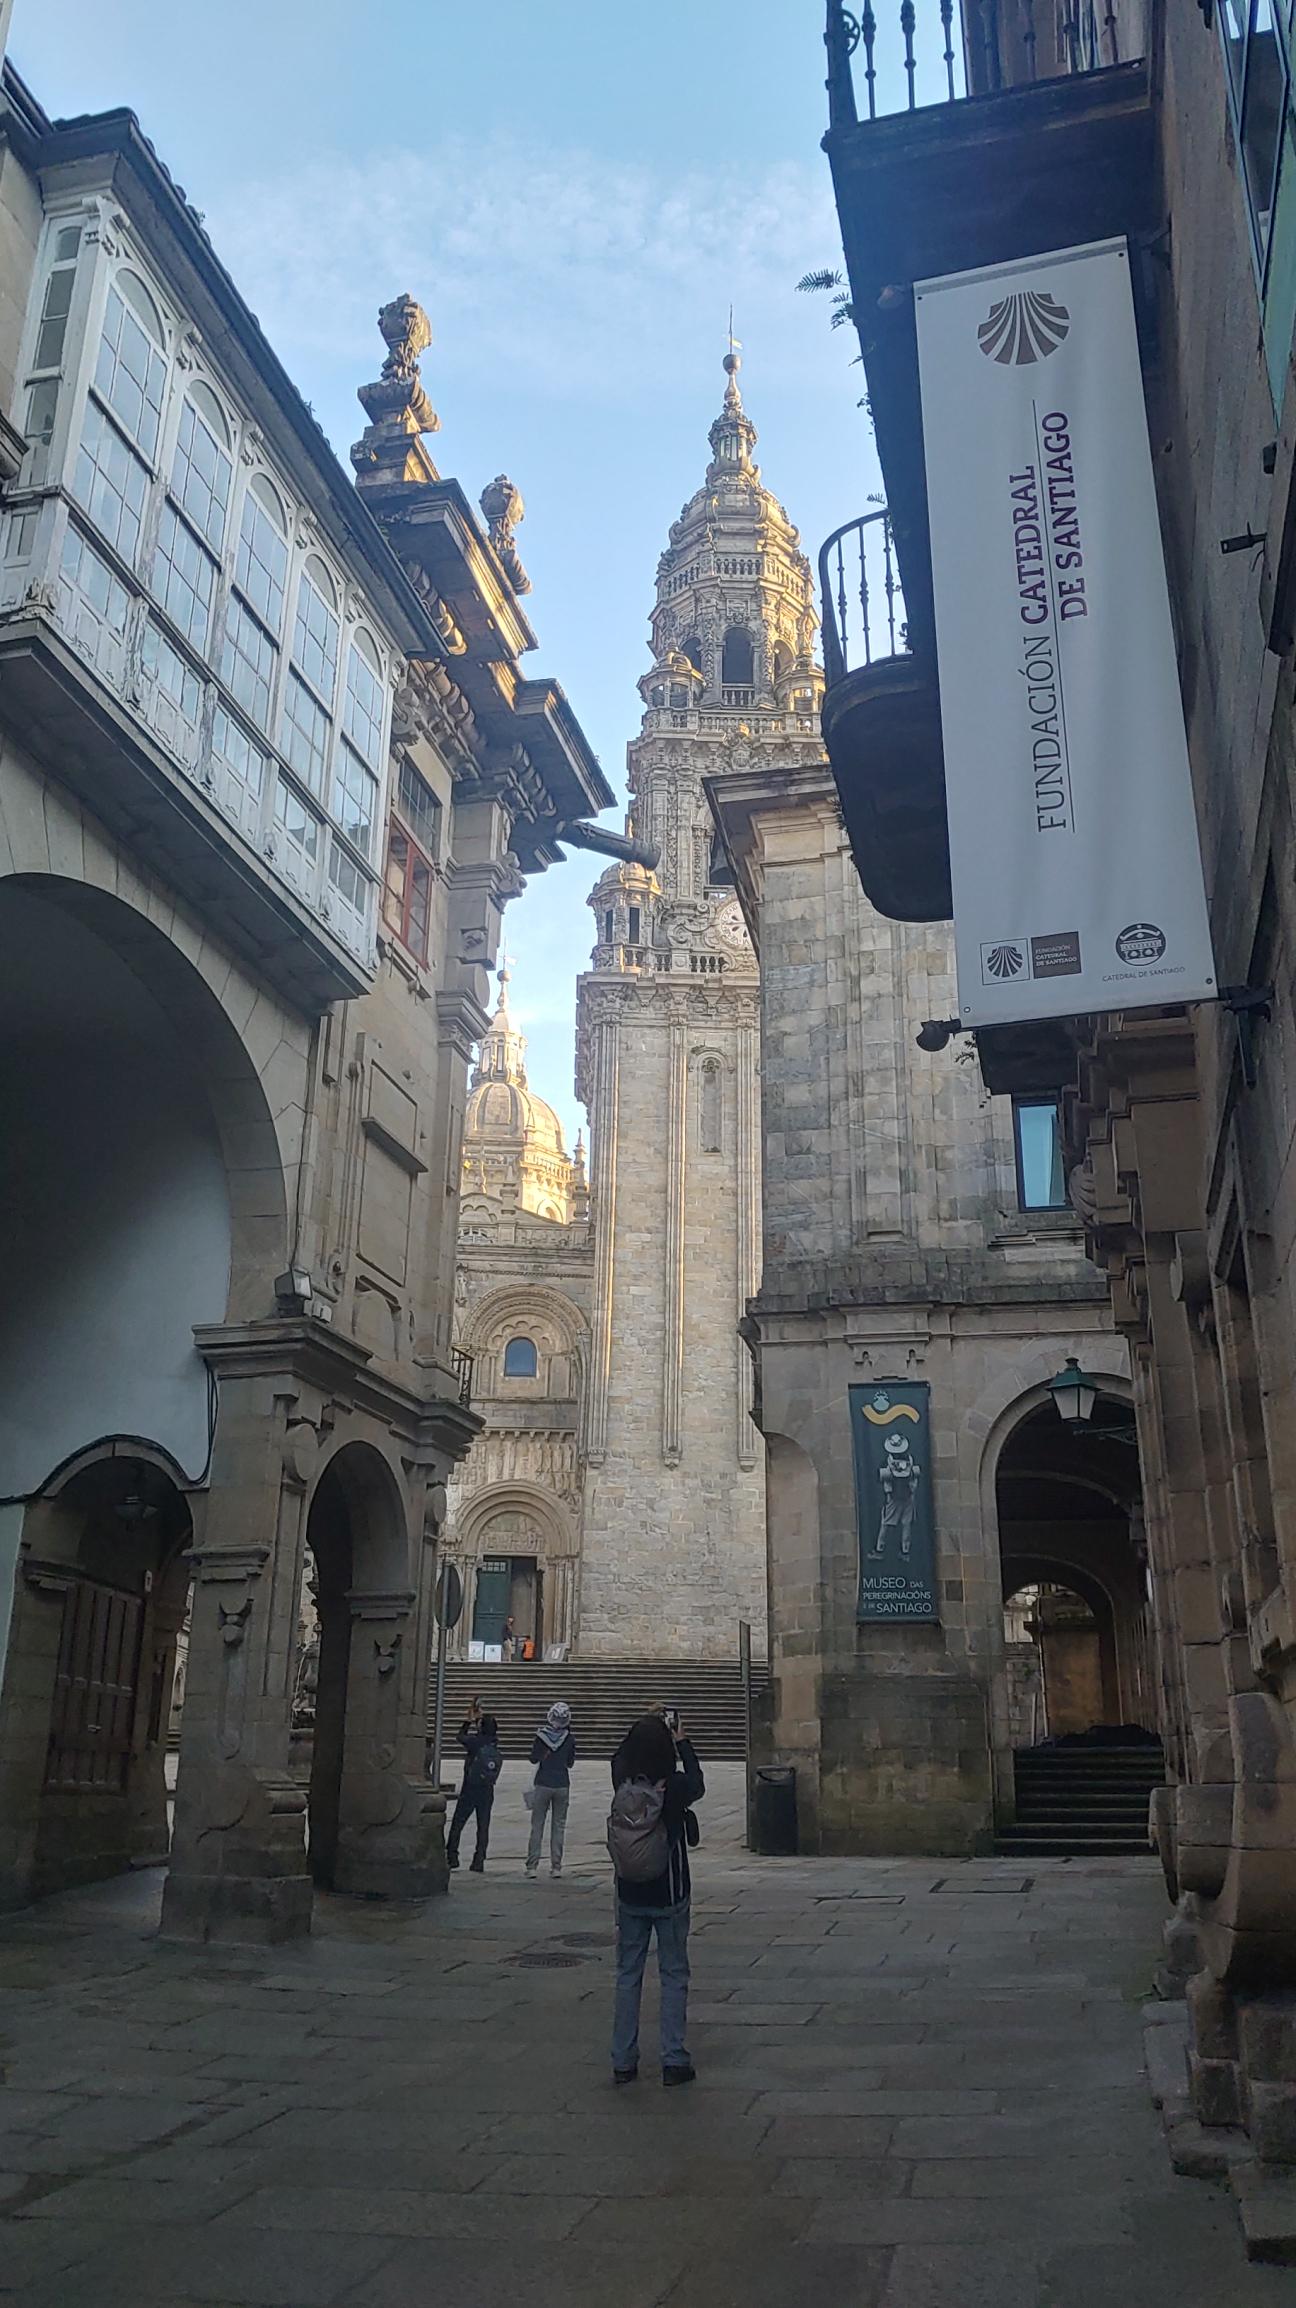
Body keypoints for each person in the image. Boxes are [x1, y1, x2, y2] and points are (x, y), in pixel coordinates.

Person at [608, 1713, 704, 2088]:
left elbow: (618, 1757)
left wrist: (638, 1732)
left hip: (630, 1891)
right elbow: (698, 1782)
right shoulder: (674, 1787)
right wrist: (681, 1741)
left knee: (627, 1975)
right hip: (669, 1892)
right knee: (674, 1973)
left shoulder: (622, 1781)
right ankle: (673, 2058)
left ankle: (623, 2059)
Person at [446, 1709, 501, 1873]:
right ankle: (479, 1860)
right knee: (483, 1826)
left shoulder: (475, 1742)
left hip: (470, 1788)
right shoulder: (494, 1742)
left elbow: (460, 1737)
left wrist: (467, 1722)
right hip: (487, 1789)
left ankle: (452, 1856)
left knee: (458, 1823)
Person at [525, 1701, 576, 1879]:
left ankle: (532, 1866)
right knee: (558, 1826)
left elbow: (533, 1758)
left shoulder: (541, 1736)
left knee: (537, 1825)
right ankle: (556, 1866)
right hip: (562, 1783)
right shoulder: (569, 1738)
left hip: (543, 1782)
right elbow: (570, 1763)